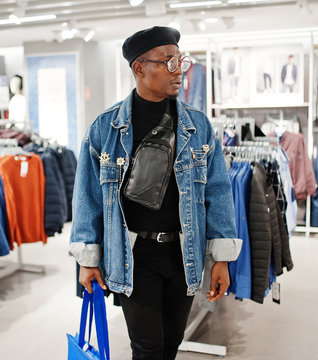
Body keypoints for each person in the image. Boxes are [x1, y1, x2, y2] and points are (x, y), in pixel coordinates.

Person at [69, 26, 241, 360]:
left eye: (181, 61)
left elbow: (218, 192)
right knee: (147, 348)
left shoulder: (198, 125)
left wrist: (221, 256)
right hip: (134, 253)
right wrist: (87, 259)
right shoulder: (106, 128)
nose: (180, 71)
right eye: (168, 62)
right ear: (139, 68)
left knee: (171, 343)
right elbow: (87, 196)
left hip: (183, 251)